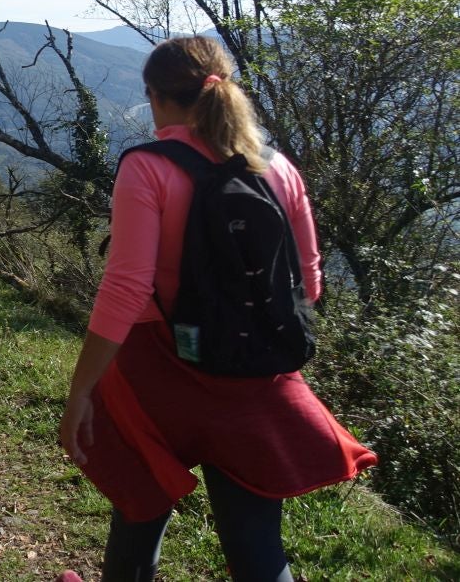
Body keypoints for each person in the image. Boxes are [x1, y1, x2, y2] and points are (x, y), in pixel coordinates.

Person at [56, 36, 377, 582]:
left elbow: (126, 289)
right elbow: (309, 282)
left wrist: (82, 390)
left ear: (156, 97)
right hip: (253, 378)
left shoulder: (147, 167)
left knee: (140, 511)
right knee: (255, 543)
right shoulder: (278, 168)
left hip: (158, 371)